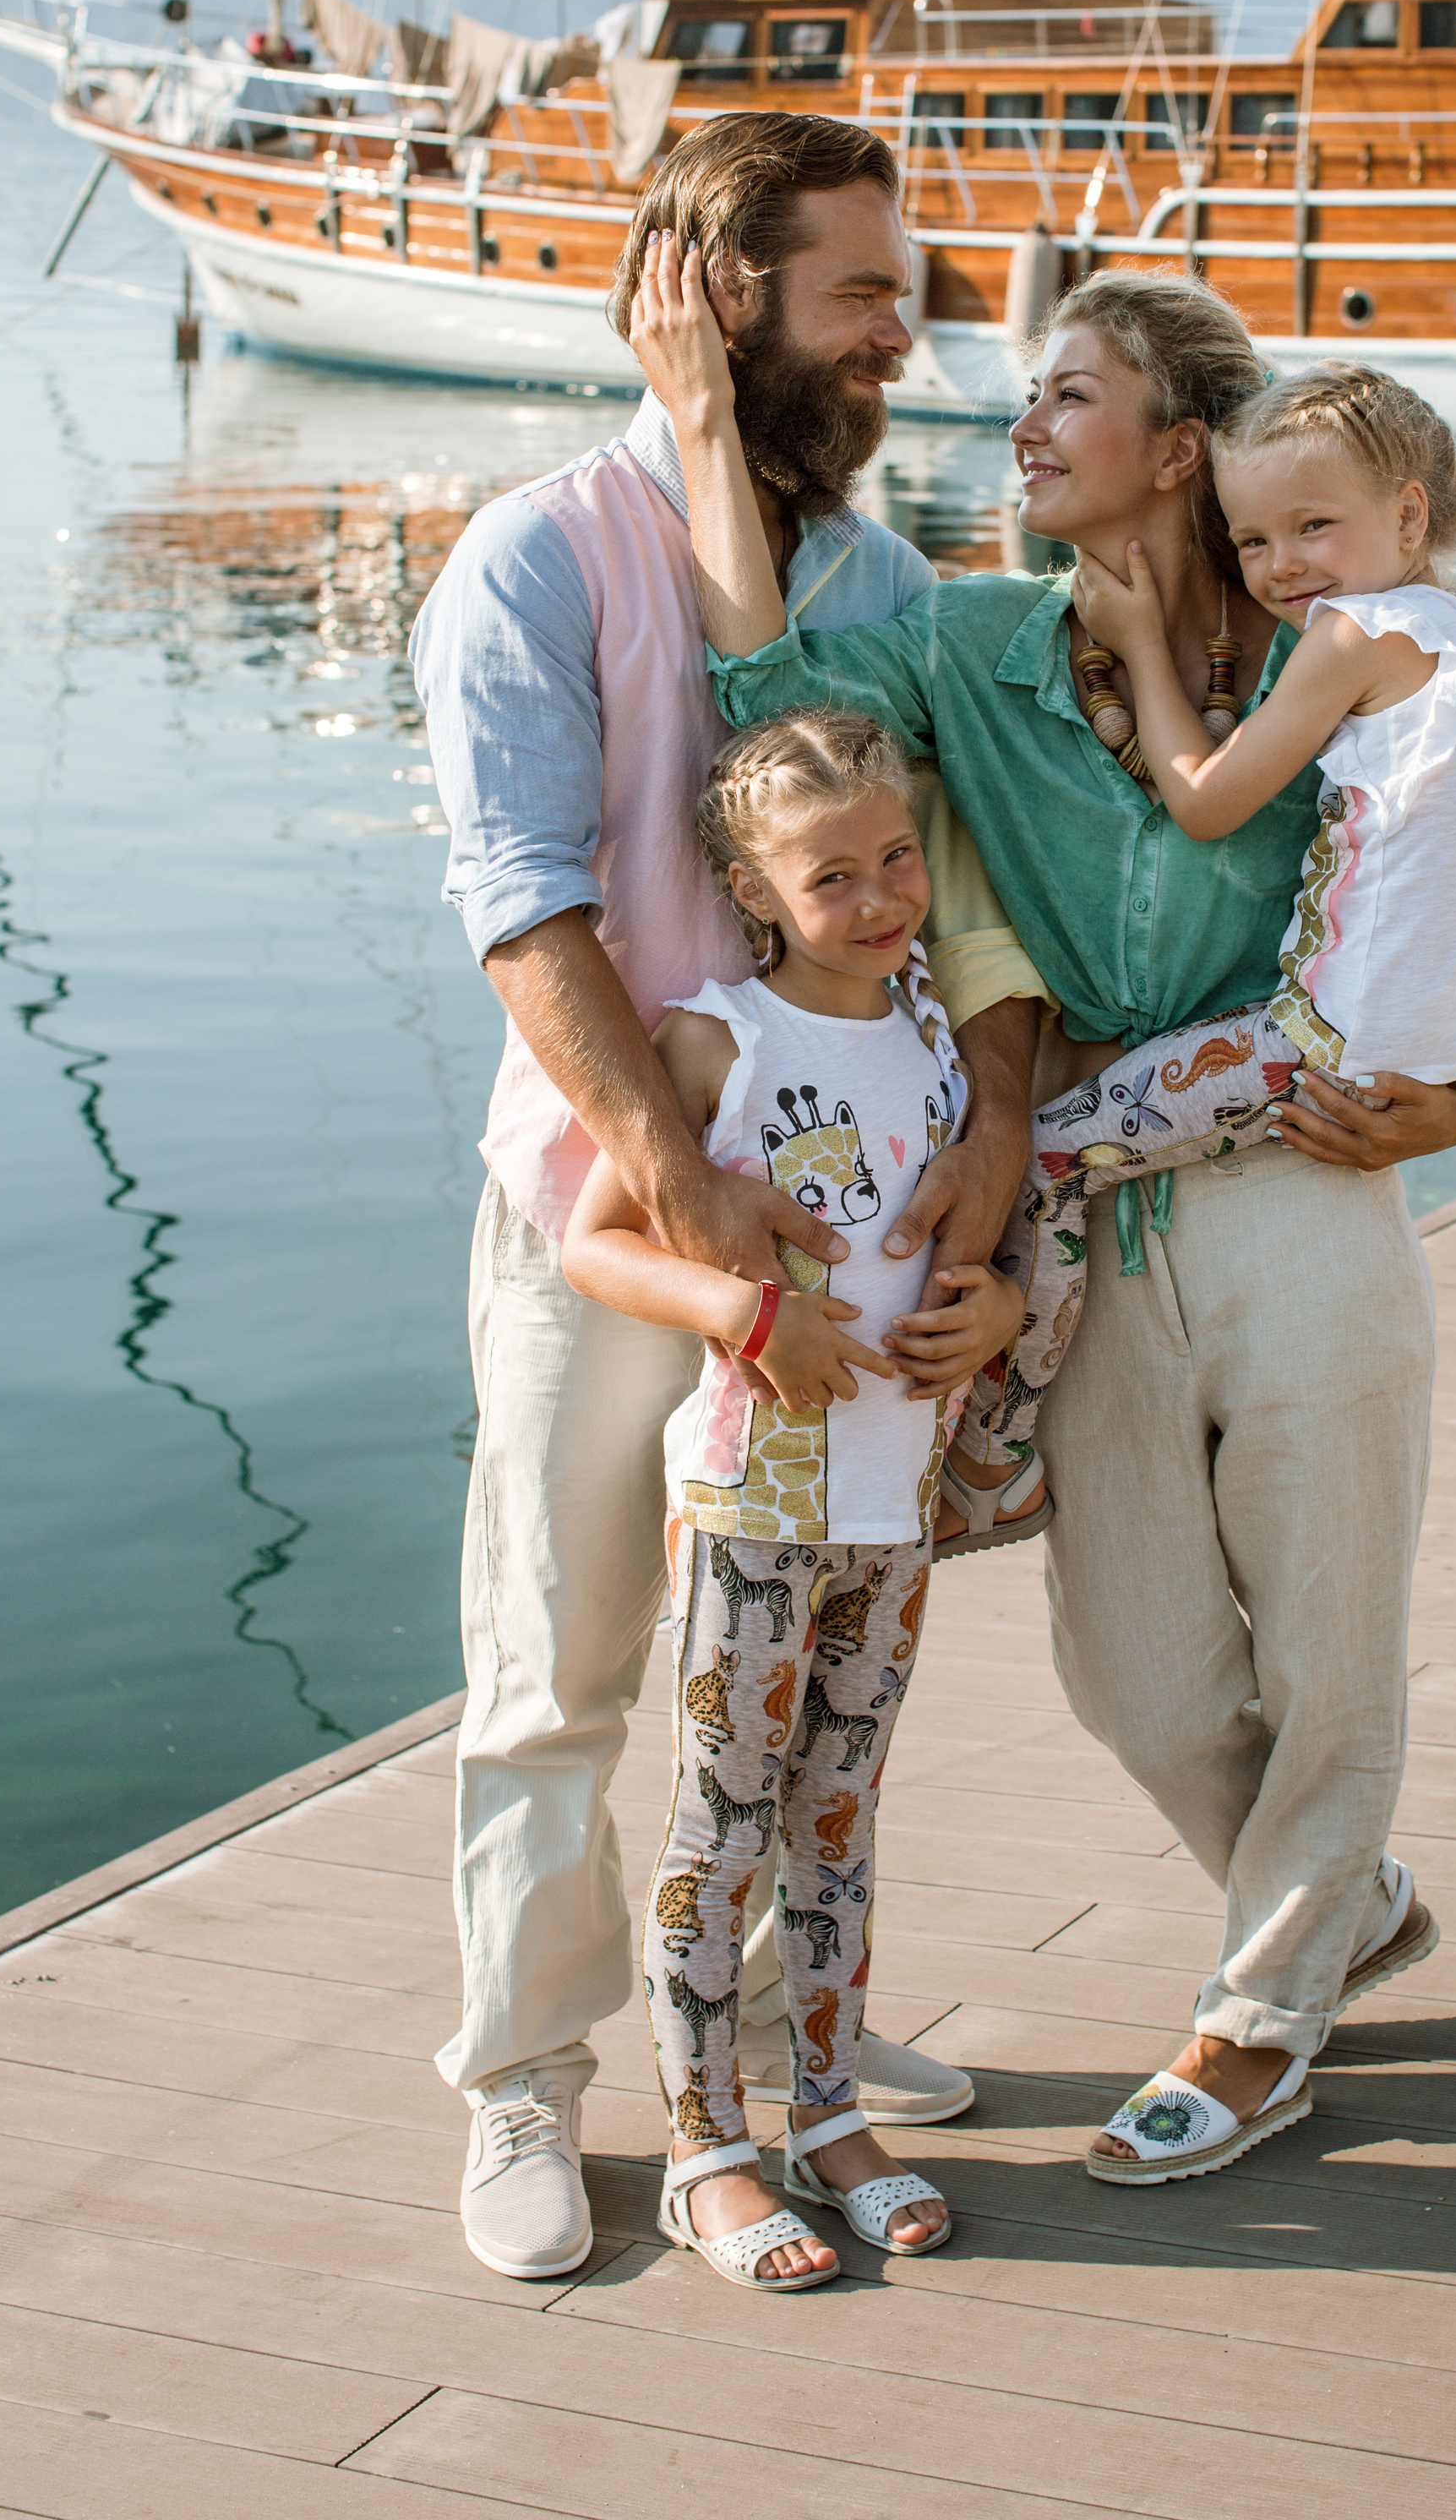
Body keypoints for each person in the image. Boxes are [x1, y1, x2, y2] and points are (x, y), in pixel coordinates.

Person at [628, 248, 1456, 2194]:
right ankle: (1331, 1902)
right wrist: (708, 431)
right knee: (1133, 1673)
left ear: (1179, 449)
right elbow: (764, 695)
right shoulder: (972, 645)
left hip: (1306, 1182)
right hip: (1085, 1197)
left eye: (1070, 394)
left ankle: (1254, 2024)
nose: (1025, 424)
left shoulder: (1345, 629)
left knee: (1327, 1638)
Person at [407, 112, 1043, 2284]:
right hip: (608, 1227)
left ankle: (773, 2037)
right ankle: (524, 2078)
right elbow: (528, 905)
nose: (903, 330)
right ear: (712, 290)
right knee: (562, 1660)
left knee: (792, 1658)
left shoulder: (878, 589)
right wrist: (681, 1184)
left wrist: (988, 1152)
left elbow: (954, 899)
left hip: (854, 1236)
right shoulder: (532, 555)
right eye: (861, 292)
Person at [560, 710, 1023, 2286]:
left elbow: (964, 1240)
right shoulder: (721, 1039)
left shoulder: (939, 1040)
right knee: (722, 1816)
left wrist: (1003, 1310)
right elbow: (599, 1244)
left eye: (898, 859)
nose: (884, 896)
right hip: (758, 1501)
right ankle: (707, 2146)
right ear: (757, 891)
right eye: (833, 875)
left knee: (839, 1812)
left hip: (893, 1509)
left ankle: (826, 2112)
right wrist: (748, 1317)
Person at [953, 363, 1456, 1519]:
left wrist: (1133, 640)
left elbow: (1207, 799)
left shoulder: (1353, 637)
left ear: (1410, 513)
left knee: (1047, 1156)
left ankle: (999, 1447)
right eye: (1253, 540)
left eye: (1313, 527)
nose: (1283, 567)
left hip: (1316, 1046)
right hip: (1438, 1047)